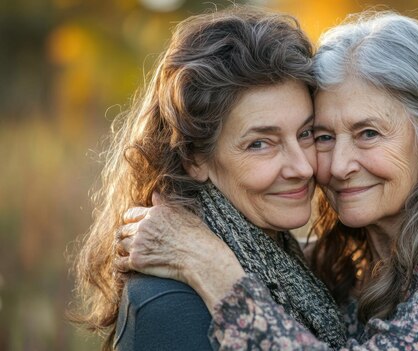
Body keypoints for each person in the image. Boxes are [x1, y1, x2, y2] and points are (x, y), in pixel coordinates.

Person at [116, 10, 418, 351]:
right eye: (323, 135)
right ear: (195, 156)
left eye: (368, 133)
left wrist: (212, 267)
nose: (335, 165)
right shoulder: (340, 258)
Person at [71, 7, 348, 350]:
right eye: (260, 143)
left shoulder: (287, 262)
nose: (302, 168)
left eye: (305, 133)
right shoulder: (171, 305)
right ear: (194, 159)